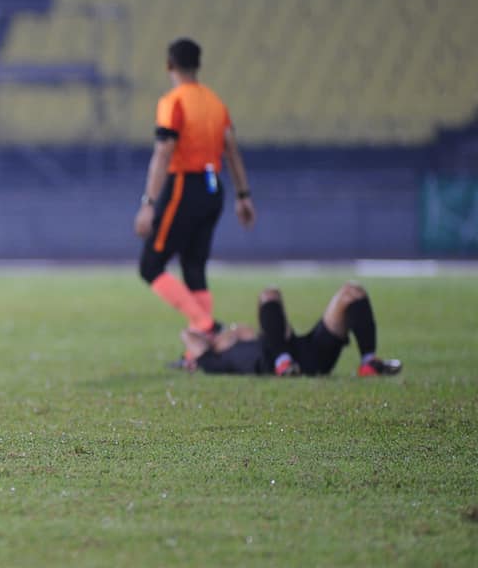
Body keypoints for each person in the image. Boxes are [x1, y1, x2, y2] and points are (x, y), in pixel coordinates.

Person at [135, 38, 255, 342]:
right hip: (213, 189)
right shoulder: (216, 103)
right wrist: (244, 196)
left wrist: (149, 202)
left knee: (150, 266)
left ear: (169, 65)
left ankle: (204, 325)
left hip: (183, 186)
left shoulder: (173, 102)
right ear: (198, 65)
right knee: (194, 267)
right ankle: (198, 353)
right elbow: (232, 151)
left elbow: (164, 152)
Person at [178, 281, 402, 377]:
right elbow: (186, 335)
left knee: (352, 292)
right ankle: (283, 363)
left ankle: (369, 362)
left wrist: (223, 331)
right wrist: (210, 331)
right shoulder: (213, 360)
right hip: (273, 362)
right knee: (268, 295)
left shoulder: (236, 335)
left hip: (300, 351)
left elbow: (249, 330)